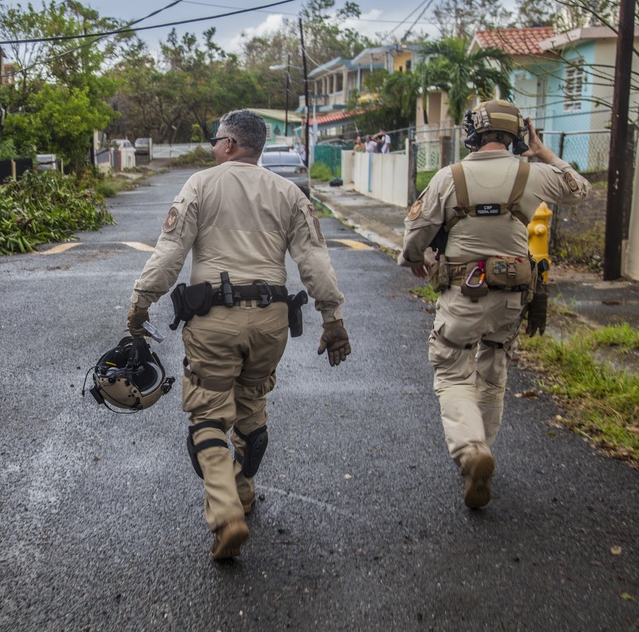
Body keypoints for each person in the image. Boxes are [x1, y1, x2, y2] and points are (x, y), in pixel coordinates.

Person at [126, 109, 351, 560]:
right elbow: (315, 262)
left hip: (214, 321)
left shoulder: (201, 185)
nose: (213, 147)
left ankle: (227, 512)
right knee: (251, 404)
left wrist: (140, 304)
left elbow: (170, 253)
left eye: (216, 140)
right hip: (272, 323)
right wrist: (333, 319)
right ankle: (245, 492)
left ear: (229, 144)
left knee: (208, 415)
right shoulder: (289, 193)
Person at [398, 100, 590, 509]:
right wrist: (544, 154)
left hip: (463, 294)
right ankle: (483, 447)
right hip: (513, 297)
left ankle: (470, 451)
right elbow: (580, 189)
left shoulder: (450, 177)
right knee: (492, 366)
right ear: (517, 135)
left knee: (451, 369)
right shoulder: (535, 174)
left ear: (474, 133)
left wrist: (414, 258)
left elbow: (417, 233)